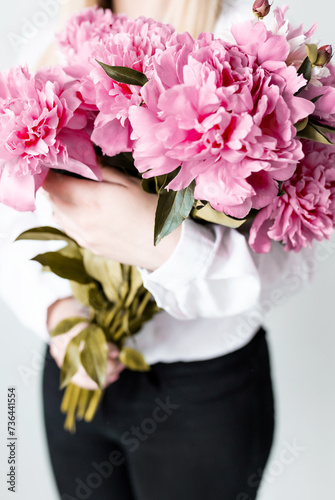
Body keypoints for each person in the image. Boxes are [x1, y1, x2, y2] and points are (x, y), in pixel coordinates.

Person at [0, 1, 312, 499]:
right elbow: (12, 213)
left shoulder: (248, 41)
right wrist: (59, 314)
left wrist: (161, 242)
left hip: (204, 397)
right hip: (76, 369)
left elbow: (285, 261)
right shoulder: (55, 40)